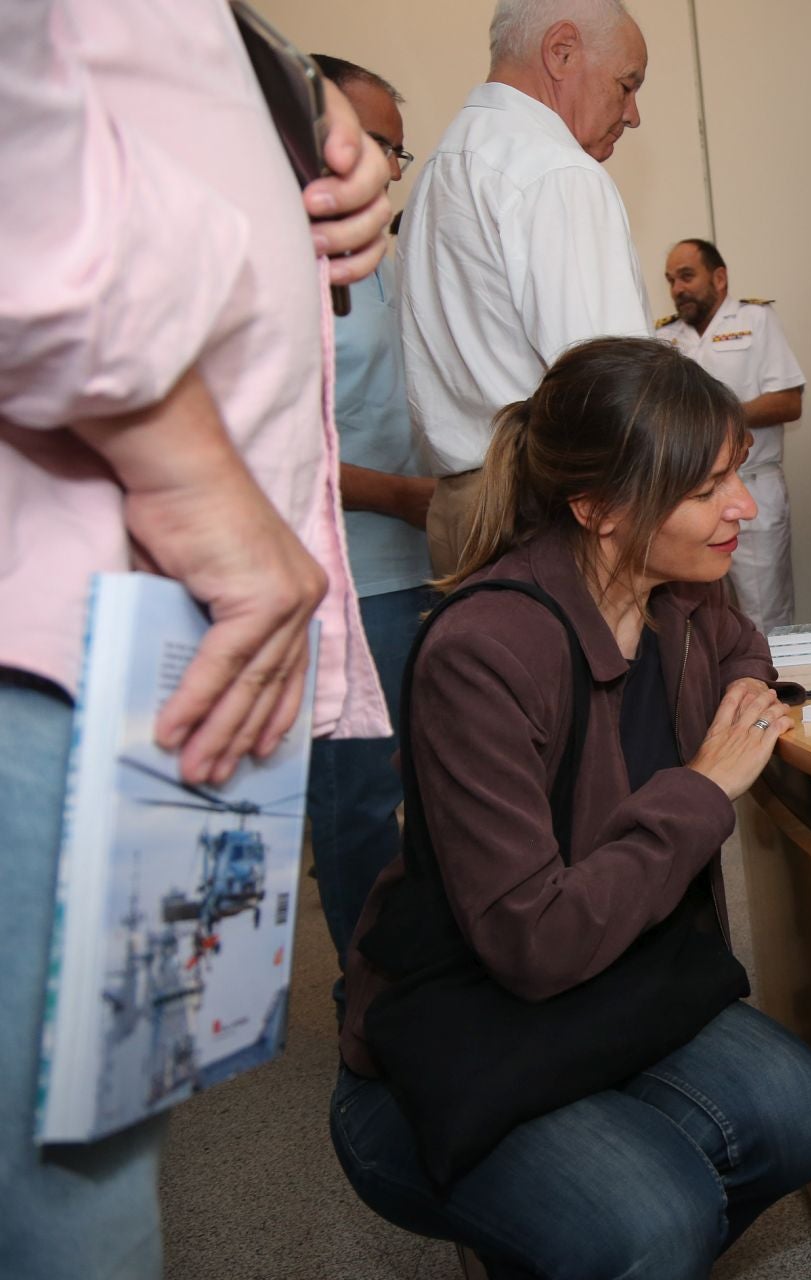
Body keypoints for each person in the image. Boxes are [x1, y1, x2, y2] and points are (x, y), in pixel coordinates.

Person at [1, 2, 393, 1274]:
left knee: (105, 1164)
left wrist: (273, 86)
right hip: (72, 599)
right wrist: (183, 463)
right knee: (70, 1208)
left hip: (142, 615)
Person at [332, 338, 811, 1279]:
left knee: (800, 1114)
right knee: (653, 1219)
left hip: (610, 994)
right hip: (461, 1032)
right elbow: (534, 942)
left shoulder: (680, 592)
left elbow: (741, 645)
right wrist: (703, 786)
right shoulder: (483, 650)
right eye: (709, 489)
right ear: (598, 508)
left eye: (737, 475)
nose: (746, 505)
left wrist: (739, 697)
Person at [401, 0, 656, 576]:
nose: (634, 113)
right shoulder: (555, 171)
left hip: (461, 509)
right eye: (627, 84)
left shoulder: (441, 167)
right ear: (561, 50)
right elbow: (612, 387)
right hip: (553, 509)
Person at [307, 55, 438, 992]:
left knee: (434, 789)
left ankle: (427, 969)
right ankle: (366, 994)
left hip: (424, 563)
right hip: (347, 577)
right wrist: (402, 499)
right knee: (356, 803)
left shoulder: (386, 255)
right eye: (384, 141)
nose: (396, 163)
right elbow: (275, 447)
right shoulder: (284, 264)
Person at [656, 239, 806, 630]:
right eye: (671, 280)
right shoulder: (663, 336)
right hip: (684, 501)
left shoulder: (755, 320)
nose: (677, 289)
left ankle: (774, 688)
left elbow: (789, 401)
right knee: (691, 619)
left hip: (753, 487)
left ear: (719, 278)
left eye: (687, 276)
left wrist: (715, 421)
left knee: (766, 615)